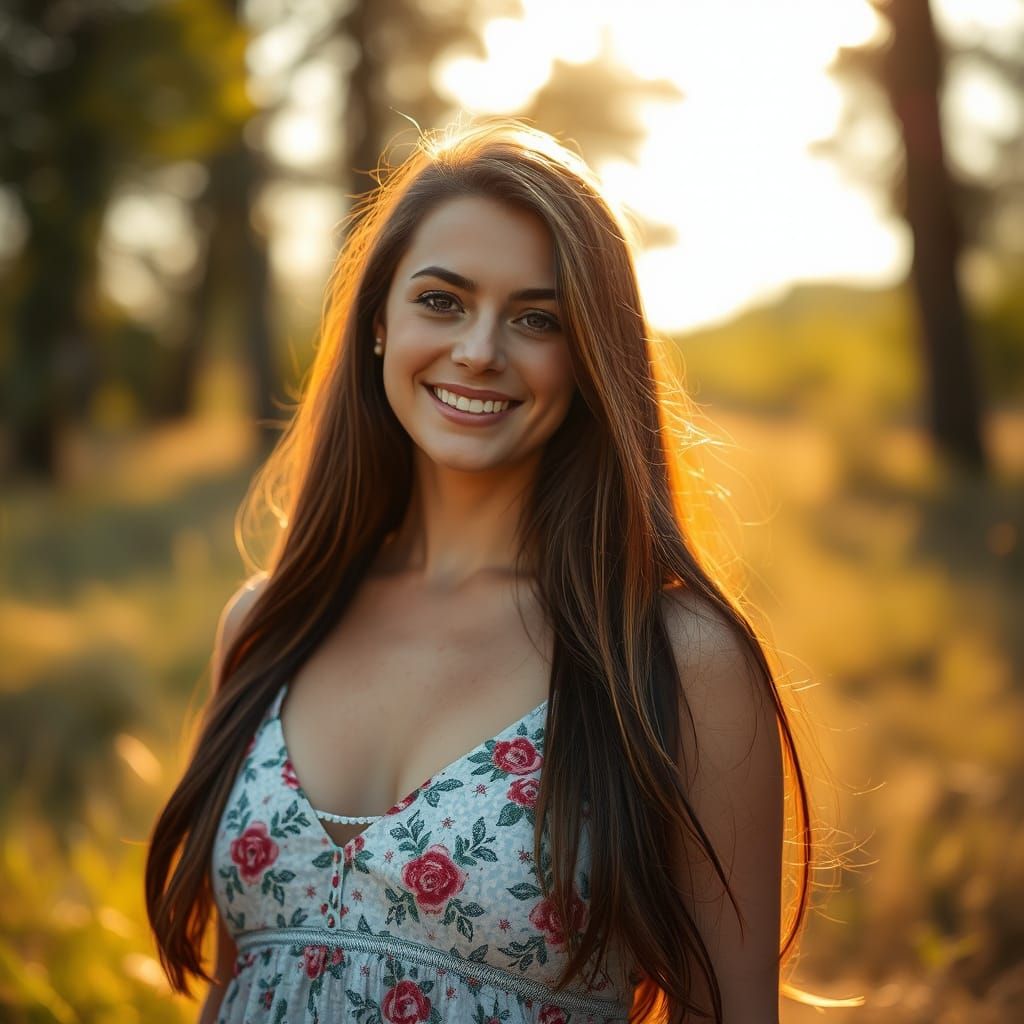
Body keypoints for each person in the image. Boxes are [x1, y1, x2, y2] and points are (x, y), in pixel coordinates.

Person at [146, 118, 813, 1024]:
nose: (480, 350)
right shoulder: (270, 623)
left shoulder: (670, 658)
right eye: (442, 300)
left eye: (537, 318)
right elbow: (233, 984)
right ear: (378, 322)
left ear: (589, 359)